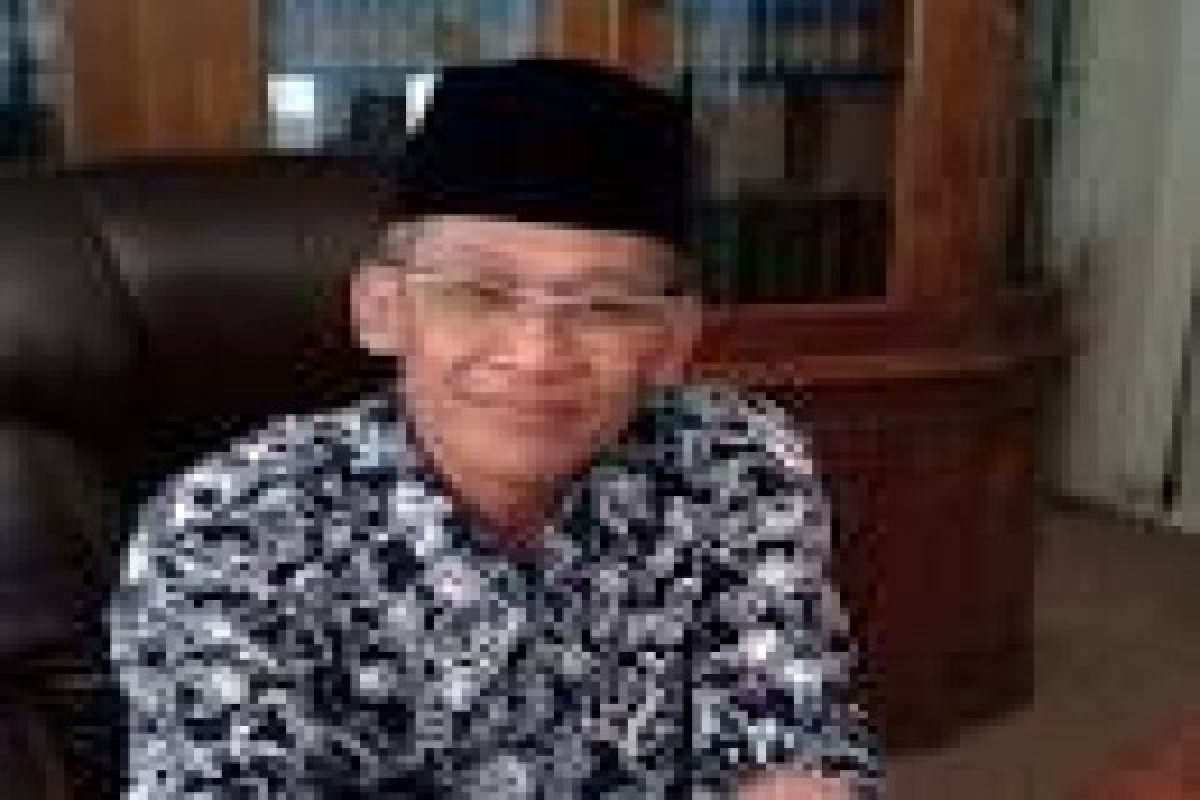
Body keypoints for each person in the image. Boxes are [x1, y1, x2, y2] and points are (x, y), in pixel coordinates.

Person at [109, 58, 883, 799]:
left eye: (605, 306)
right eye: (477, 293)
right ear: (380, 310)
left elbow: (792, 737)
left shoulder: (737, 460)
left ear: (672, 343)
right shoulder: (230, 524)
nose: (537, 355)